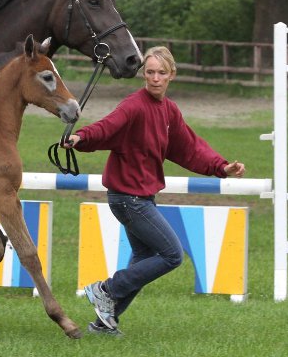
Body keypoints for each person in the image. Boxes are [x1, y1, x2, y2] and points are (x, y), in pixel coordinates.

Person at [63, 45, 245, 336]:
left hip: (141, 197)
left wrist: (221, 167)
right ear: (143, 74)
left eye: (161, 72)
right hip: (128, 199)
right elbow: (107, 127)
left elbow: (190, 148)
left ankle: (104, 324)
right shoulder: (134, 106)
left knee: (144, 258)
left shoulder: (169, 111)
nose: (155, 78)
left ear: (171, 75)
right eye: (150, 72)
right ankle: (105, 289)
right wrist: (80, 137)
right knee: (172, 254)